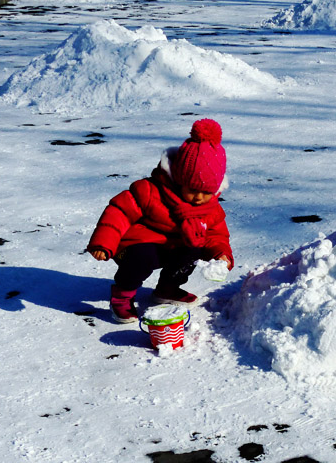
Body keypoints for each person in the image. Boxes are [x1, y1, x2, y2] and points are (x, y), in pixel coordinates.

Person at [88, 119, 234, 323]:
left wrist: (221, 255)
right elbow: (118, 212)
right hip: (133, 247)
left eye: (207, 192)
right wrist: (104, 244)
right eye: (193, 189)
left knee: (194, 248)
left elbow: (216, 234)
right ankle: (122, 295)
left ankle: (167, 288)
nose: (199, 197)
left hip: (172, 249)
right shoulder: (150, 191)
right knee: (143, 254)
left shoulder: (210, 209)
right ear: (179, 179)